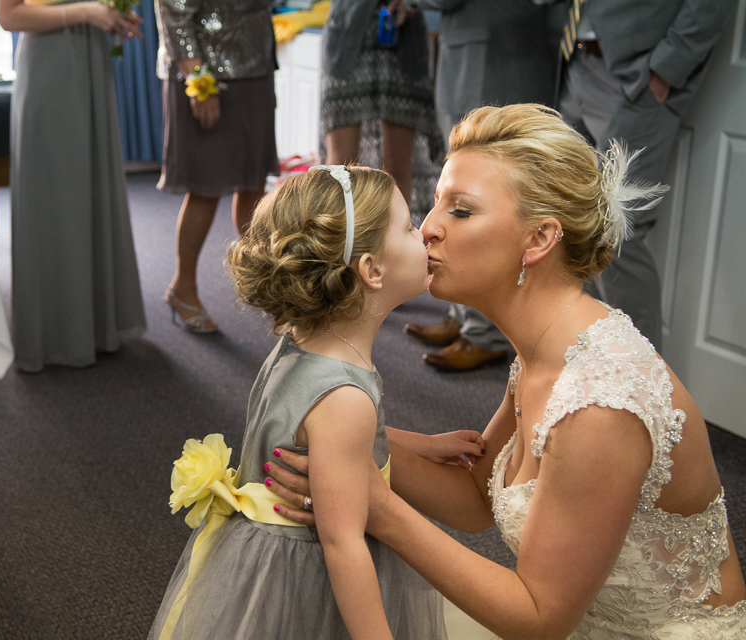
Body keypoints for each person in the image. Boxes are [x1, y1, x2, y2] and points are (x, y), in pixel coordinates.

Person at [267, 105, 746, 638]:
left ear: (539, 239)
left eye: (461, 211)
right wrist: (351, 447)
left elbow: (539, 619)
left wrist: (375, 508)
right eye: (435, 207)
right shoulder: (547, 347)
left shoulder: (601, 404)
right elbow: (477, 499)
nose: (427, 229)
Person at [148, 166, 484, 639]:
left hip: (254, 560)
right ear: (371, 270)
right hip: (309, 581)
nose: (425, 231)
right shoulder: (346, 394)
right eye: (409, 227)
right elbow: (343, 543)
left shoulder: (299, 341)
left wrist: (418, 445)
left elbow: (321, 439)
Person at [554, 0, 733, 348]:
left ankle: (638, 388)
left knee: (617, 232)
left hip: (635, 77)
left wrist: (667, 68)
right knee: (570, 221)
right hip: (574, 60)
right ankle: (585, 366)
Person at [404, 0, 558, 371]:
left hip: (497, 60)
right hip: (471, 56)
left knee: (483, 202)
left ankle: (484, 333)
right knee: (456, 200)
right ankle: (463, 315)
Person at [0, 0, 148, 371]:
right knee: (56, 197)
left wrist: (111, 16)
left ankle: (96, 328)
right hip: (49, 65)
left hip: (91, 59)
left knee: (92, 191)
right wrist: (84, 12)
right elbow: (9, 17)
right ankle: (55, 336)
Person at [155, 0, 278, 334]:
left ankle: (265, 286)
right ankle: (183, 287)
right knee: (205, 188)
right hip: (205, 73)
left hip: (255, 67)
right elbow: (174, 12)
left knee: (253, 185)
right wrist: (198, 80)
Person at [322, 0, 445, 207]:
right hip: (346, 38)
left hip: (404, 38)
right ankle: (334, 234)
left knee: (396, 167)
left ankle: (394, 235)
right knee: (340, 165)